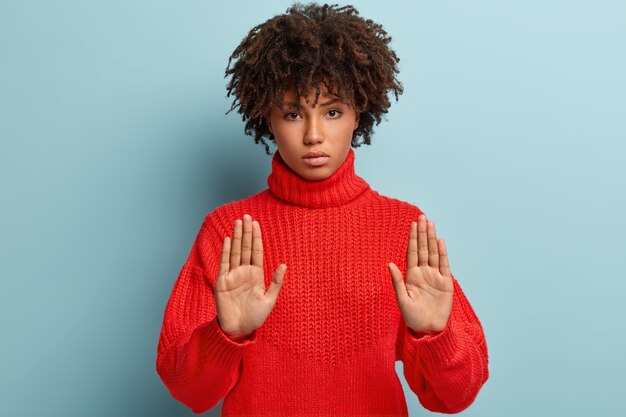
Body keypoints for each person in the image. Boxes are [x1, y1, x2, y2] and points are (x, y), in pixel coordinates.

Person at [155, 3, 489, 415]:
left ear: (358, 114)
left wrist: (435, 334)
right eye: (293, 114)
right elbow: (188, 392)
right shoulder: (227, 230)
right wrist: (226, 334)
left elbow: (456, 397)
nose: (313, 135)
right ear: (268, 118)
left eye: (332, 111)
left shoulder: (402, 228)